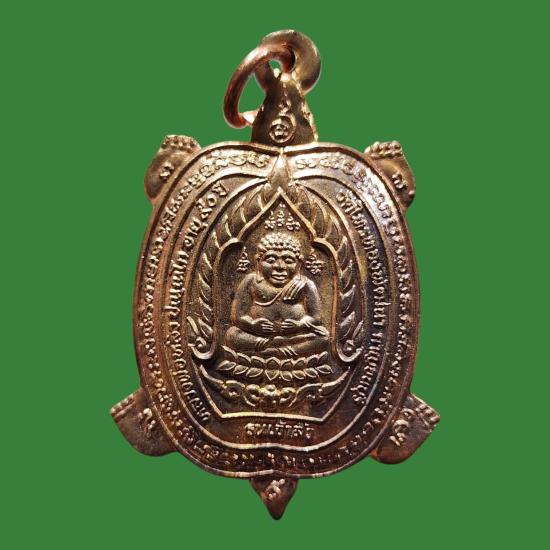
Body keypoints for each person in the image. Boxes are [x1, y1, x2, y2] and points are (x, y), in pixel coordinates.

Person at [224, 232, 329, 359]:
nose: (279, 266)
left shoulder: (306, 284)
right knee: (232, 335)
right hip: (259, 337)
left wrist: (299, 325)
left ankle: (270, 351)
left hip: (294, 336)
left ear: (299, 263)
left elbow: (316, 317)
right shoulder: (251, 281)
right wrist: (252, 325)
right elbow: (237, 317)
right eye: (270, 260)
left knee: (323, 337)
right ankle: (282, 350)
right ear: (258, 261)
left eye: (288, 260)